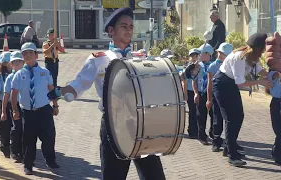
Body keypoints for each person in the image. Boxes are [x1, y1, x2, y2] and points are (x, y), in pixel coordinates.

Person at [47, 7, 198, 180]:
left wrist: (183, 74)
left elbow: (159, 80)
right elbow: (79, 84)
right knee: (113, 176)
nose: (128, 30)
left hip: (142, 121)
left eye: (131, 27)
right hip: (114, 123)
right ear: (111, 31)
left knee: (154, 176)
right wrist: (59, 91)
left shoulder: (140, 57)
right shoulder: (99, 58)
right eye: (124, 26)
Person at [213, 33, 272, 167]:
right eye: (263, 48)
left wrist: (273, 76)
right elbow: (241, 83)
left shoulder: (253, 56)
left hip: (231, 84)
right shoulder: (240, 57)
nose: (264, 51)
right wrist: (262, 81)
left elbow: (260, 70)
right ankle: (232, 155)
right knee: (230, 119)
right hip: (222, 84)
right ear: (258, 47)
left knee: (239, 116)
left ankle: (229, 147)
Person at [11, 42, 59, 175]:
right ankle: (28, 165)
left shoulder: (44, 72)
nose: (27, 55)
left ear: (36, 55)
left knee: (48, 137)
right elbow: (14, 94)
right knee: (28, 140)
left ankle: (50, 160)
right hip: (28, 113)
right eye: (25, 54)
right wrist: (15, 110)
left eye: (30, 53)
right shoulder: (19, 74)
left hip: (44, 110)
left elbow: (51, 89)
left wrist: (55, 105)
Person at [206, 42, 233, 152]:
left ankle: (230, 142)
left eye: (224, 54)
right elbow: (209, 83)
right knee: (217, 119)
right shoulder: (213, 66)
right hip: (216, 96)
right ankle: (216, 141)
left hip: (228, 95)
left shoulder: (232, 65)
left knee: (229, 120)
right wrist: (209, 99)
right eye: (220, 53)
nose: (221, 55)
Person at [1, 51, 24, 162]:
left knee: (26, 129)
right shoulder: (10, 77)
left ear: (23, 63)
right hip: (14, 105)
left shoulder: (27, 74)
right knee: (17, 128)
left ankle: (24, 151)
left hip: (26, 106)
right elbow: (6, 95)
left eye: (19, 62)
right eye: (15, 62)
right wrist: (3, 111)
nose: (17, 64)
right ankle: (14, 151)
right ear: (11, 64)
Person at [193, 43, 214, 145]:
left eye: (201, 53)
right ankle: (201, 135)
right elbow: (194, 80)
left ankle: (213, 133)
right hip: (201, 94)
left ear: (208, 54)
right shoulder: (197, 66)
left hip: (212, 94)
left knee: (214, 115)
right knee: (201, 116)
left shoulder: (214, 65)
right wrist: (196, 93)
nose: (199, 55)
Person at [0, 52, 12, 158]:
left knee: (15, 127)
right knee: (4, 125)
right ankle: (5, 147)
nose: (8, 64)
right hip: (3, 103)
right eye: (5, 62)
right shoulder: (0, 76)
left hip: (15, 103)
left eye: (9, 61)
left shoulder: (16, 73)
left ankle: (15, 147)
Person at [183, 48, 201, 139]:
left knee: (199, 112)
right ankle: (192, 131)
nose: (194, 57)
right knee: (192, 112)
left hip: (199, 90)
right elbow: (184, 81)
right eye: (192, 55)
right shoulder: (188, 67)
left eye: (196, 55)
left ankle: (199, 130)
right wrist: (185, 94)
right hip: (190, 91)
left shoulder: (200, 66)